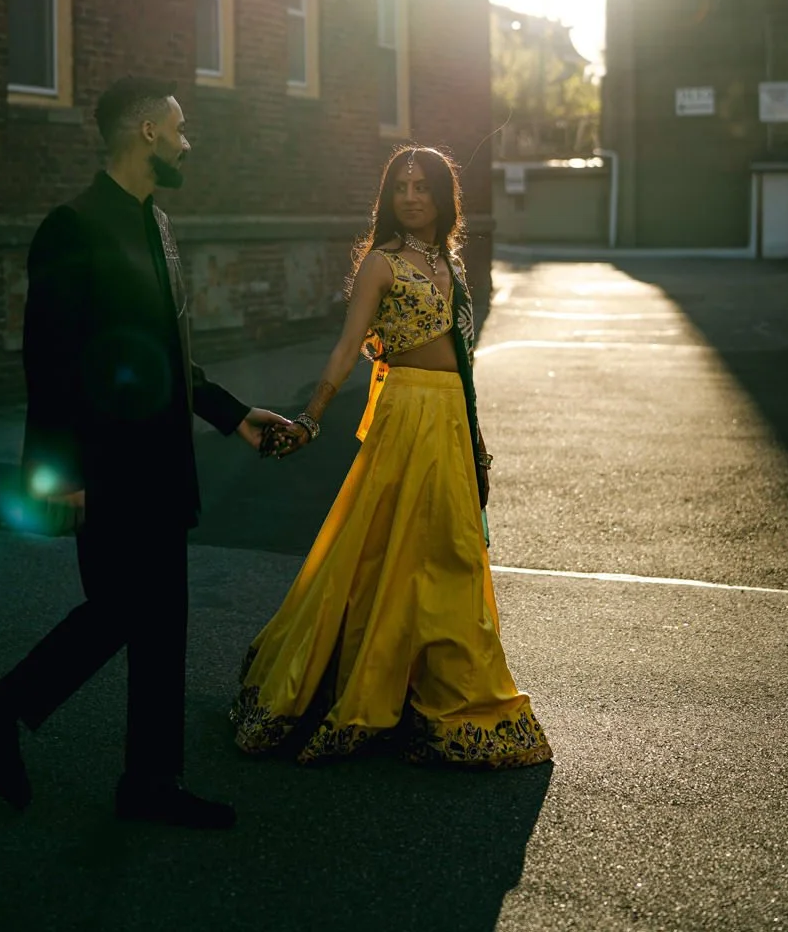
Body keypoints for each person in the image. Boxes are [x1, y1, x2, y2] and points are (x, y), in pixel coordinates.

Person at [0, 78, 288, 828]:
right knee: (121, 610)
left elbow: (170, 355)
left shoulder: (158, 224)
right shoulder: (71, 228)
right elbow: (49, 362)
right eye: (179, 128)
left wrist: (234, 416)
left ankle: (150, 783)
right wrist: (57, 469)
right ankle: (0, 705)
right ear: (145, 131)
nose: (186, 141)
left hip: (163, 466)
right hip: (104, 468)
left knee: (161, 618)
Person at [231, 145, 552, 769]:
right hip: (404, 415)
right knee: (382, 550)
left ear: (441, 197)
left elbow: (464, 363)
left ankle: (441, 694)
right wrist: (312, 417)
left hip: (452, 418)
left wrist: (477, 443)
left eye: (422, 186)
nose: (411, 196)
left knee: (453, 553)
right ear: (389, 198)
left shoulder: (453, 266)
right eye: (400, 186)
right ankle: (362, 686)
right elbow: (349, 348)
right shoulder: (380, 264)